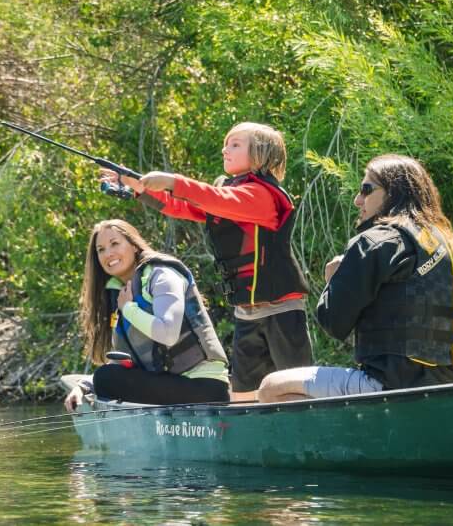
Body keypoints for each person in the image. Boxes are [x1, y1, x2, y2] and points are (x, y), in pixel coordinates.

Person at [101, 122, 312, 402]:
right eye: (226, 143)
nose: (226, 149)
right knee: (243, 396)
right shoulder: (228, 192)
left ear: (261, 152)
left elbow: (216, 199)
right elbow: (182, 206)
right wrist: (136, 186)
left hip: (281, 310)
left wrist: (174, 182)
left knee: (295, 388)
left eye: (235, 144)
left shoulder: (260, 195)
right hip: (246, 313)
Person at [256, 154, 453, 403]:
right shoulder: (446, 242)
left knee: (270, 387)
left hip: (389, 386)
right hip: (449, 383)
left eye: (366, 190)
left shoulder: (374, 242)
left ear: (394, 193)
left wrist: (333, 279)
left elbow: (333, 322)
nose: (358, 200)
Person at [63, 219, 230, 412]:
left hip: (205, 388)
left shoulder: (162, 275)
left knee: (106, 378)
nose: (108, 253)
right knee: (105, 375)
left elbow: (168, 334)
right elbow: (123, 362)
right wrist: (84, 387)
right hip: (169, 383)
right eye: (101, 249)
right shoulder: (120, 293)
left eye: (115, 244)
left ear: (134, 246)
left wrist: (129, 310)